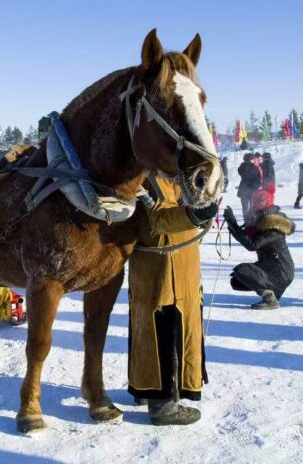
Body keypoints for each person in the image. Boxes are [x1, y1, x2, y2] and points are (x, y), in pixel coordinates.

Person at [128, 177, 217, 426]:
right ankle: (164, 406)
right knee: (164, 334)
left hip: (180, 268)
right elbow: (159, 219)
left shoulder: (173, 176)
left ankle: (145, 390)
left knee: (154, 331)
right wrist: (196, 215)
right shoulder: (146, 177)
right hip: (164, 272)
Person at [223, 184, 295, 309]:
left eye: (254, 203)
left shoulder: (274, 224)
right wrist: (231, 223)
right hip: (272, 267)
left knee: (241, 270)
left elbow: (252, 245)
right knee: (236, 281)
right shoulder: (262, 219)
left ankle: (270, 298)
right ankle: (271, 293)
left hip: (281, 271)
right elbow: (246, 237)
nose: (252, 207)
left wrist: (233, 223)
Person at [237, 153, 261, 219]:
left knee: (244, 207)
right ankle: (251, 220)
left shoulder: (241, 168)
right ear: (251, 159)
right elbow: (259, 179)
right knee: (252, 206)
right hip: (253, 190)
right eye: (253, 159)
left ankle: (245, 219)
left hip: (243, 189)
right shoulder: (255, 168)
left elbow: (240, 172)